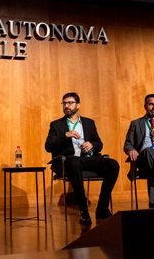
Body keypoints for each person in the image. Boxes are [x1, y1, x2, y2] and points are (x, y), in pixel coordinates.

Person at [45, 92, 119, 225]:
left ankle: (102, 208)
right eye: (64, 103)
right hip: (68, 161)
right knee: (74, 161)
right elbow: (48, 146)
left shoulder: (89, 123)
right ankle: (83, 210)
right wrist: (65, 135)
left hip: (89, 159)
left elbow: (99, 144)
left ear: (78, 105)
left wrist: (92, 145)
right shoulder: (56, 125)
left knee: (113, 164)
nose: (66, 106)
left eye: (70, 103)